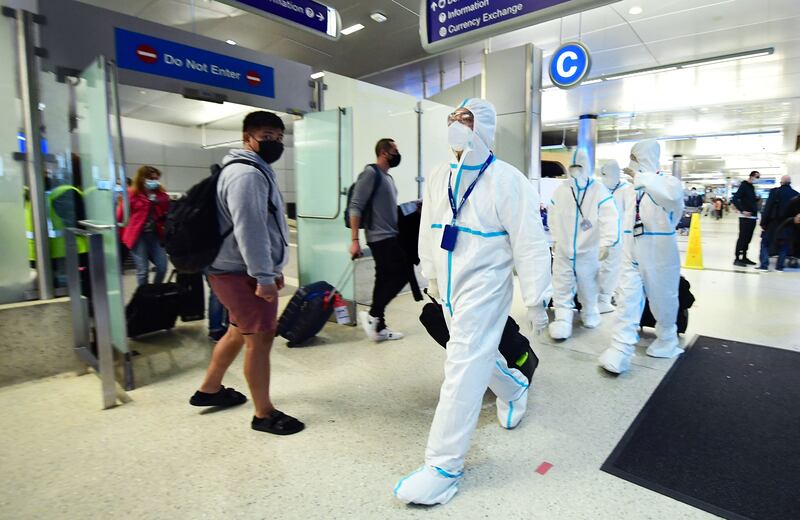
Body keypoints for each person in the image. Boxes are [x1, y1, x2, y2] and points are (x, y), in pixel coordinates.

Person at [394, 99, 552, 505]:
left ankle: (442, 468)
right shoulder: (438, 176)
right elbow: (428, 231)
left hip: (486, 286)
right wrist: (430, 274)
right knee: (474, 354)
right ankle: (513, 386)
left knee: (461, 365)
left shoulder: (507, 180)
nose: (455, 126)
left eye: (464, 120)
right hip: (448, 287)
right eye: (451, 120)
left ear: (483, 127)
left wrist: (536, 298)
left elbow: (530, 243)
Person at [190, 111, 302, 436]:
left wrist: (269, 269)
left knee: (238, 331)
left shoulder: (251, 170)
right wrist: (264, 278)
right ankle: (263, 414)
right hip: (241, 273)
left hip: (234, 270)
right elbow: (249, 230)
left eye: (279, 138)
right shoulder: (247, 175)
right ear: (247, 137)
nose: (275, 143)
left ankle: (209, 389)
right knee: (261, 338)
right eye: (267, 136)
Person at [598, 140, 684, 374]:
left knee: (663, 297)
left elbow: (672, 203)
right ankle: (620, 348)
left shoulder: (668, 183)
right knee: (627, 298)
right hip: (631, 249)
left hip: (659, 249)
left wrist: (643, 178)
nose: (631, 163)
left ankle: (667, 338)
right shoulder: (629, 190)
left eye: (636, 157)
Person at [546, 160, 618, 339]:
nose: (576, 172)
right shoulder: (562, 189)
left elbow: (609, 215)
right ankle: (563, 318)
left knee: (589, 284)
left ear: (586, 168)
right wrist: (554, 237)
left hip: (589, 248)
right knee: (561, 283)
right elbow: (552, 215)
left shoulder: (598, 190)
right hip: (563, 249)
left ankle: (590, 311)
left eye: (580, 168)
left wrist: (607, 242)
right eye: (573, 168)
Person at [348, 138, 407, 342]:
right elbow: (355, 205)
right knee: (400, 274)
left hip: (391, 235)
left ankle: (378, 326)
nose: (397, 154)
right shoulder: (371, 173)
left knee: (383, 279)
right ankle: (373, 314)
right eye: (394, 150)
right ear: (383, 152)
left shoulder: (387, 178)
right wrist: (355, 239)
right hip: (379, 237)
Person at [117, 166, 170, 286]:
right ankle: (144, 295)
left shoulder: (160, 194)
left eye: (156, 179)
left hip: (155, 234)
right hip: (137, 236)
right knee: (143, 270)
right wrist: (123, 236)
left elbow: (166, 208)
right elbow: (120, 216)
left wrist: (159, 200)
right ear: (142, 178)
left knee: (162, 266)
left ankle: (156, 290)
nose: (154, 181)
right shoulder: (131, 194)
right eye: (151, 179)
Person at [597, 160, 631, 314]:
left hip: (621, 236)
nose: (604, 177)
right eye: (602, 174)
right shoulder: (599, 188)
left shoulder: (626, 190)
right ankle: (602, 297)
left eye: (606, 174)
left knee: (616, 267)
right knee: (603, 267)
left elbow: (630, 213)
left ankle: (608, 297)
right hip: (599, 235)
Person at [758, 175, 799, 271]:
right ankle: (779, 267)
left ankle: (764, 265)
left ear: (781, 182)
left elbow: (768, 208)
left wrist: (763, 222)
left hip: (773, 223)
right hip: (788, 224)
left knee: (765, 243)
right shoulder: (796, 194)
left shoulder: (775, 192)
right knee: (784, 244)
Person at [732, 171, 760, 266]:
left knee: (748, 239)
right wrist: (742, 210)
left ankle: (744, 257)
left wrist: (756, 199)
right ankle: (737, 258)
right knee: (743, 238)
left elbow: (748, 199)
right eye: (757, 176)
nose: (757, 178)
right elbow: (735, 198)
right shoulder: (744, 185)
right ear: (751, 176)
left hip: (752, 217)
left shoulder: (751, 187)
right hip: (745, 218)